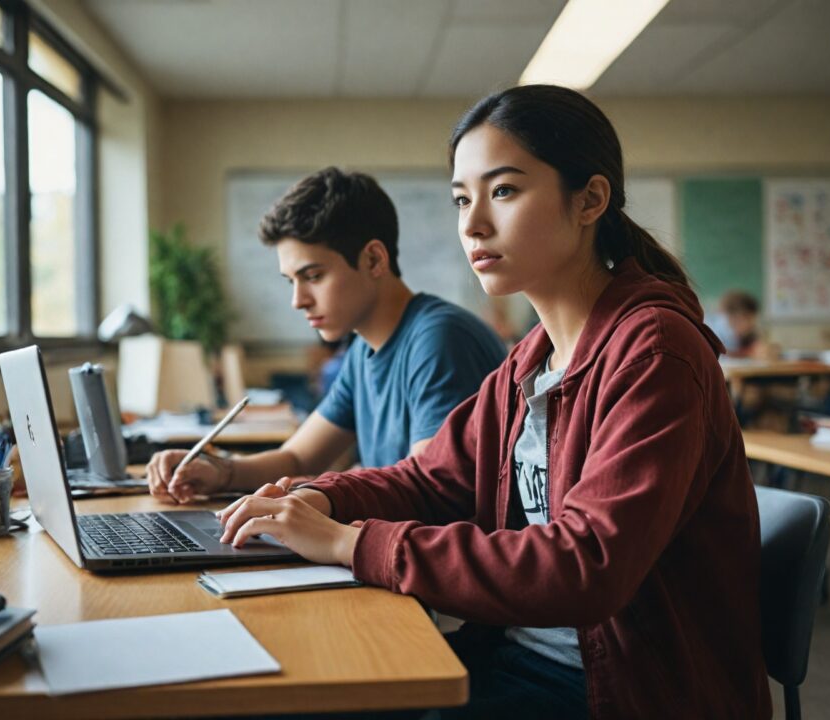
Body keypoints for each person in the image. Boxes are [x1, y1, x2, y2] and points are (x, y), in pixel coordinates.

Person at [216, 86, 771, 719]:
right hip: (521, 658)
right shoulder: (531, 358)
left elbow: (587, 565)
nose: (473, 224)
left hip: (625, 692)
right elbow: (430, 478)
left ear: (590, 199)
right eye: (462, 199)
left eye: (503, 191)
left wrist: (351, 542)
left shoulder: (654, 352)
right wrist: (322, 498)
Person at [147, 168, 506, 503]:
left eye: (314, 276)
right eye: (292, 281)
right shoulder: (362, 351)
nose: (298, 300)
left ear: (374, 260)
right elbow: (297, 456)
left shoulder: (439, 339)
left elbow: (425, 488)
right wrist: (218, 470)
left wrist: (318, 494)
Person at [716, 290, 769, 358]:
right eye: (748, 319)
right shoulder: (721, 331)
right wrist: (750, 353)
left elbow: (760, 347)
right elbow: (724, 353)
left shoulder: (748, 334)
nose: (752, 324)